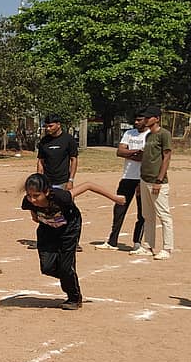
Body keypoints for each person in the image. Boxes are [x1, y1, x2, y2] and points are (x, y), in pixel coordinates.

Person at [21, 173, 125, 310]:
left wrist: (115, 198)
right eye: (30, 195)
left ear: (46, 191)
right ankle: (68, 274)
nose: (32, 199)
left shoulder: (61, 196)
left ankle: (74, 298)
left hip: (69, 229)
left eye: (36, 196)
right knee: (47, 267)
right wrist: (38, 216)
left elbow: (88, 185)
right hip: (47, 231)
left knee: (65, 267)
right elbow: (34, 215)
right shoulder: (28, 201)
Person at [95, 116, 150, 252]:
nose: (136, 122)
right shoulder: (129, 133)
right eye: (135, 119)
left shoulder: (151, 135)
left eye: (139, 120)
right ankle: (112, 241)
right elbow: (120, 152)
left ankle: (137, 243)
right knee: (119, 209)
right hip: (127, 177)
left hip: (142, 178)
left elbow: (146, 156)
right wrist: (135, 152)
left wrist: (129, 153)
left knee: (142, 212)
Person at [136, 106, 174, 260]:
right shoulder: (148, 136)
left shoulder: (164, 134)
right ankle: (148, 245)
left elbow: (166, 157)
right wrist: (140, 182)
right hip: (144, 180)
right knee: (147, 215)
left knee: (163, 215)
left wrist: (159, 180)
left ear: (156, 118)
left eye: (148, 117)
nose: (145, 120)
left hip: (157, 181)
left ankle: (167, 248)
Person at [37, 114, 79, 190]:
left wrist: (71, 180)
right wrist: (40, 180)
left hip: (63, 182)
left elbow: (74, 160)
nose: (48, 129)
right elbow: (40, 161)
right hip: (47, 182)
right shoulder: (44, 141)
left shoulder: (68, 139)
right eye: (46, 126)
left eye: (50, 126)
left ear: (58, 125)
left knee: (65, 201)